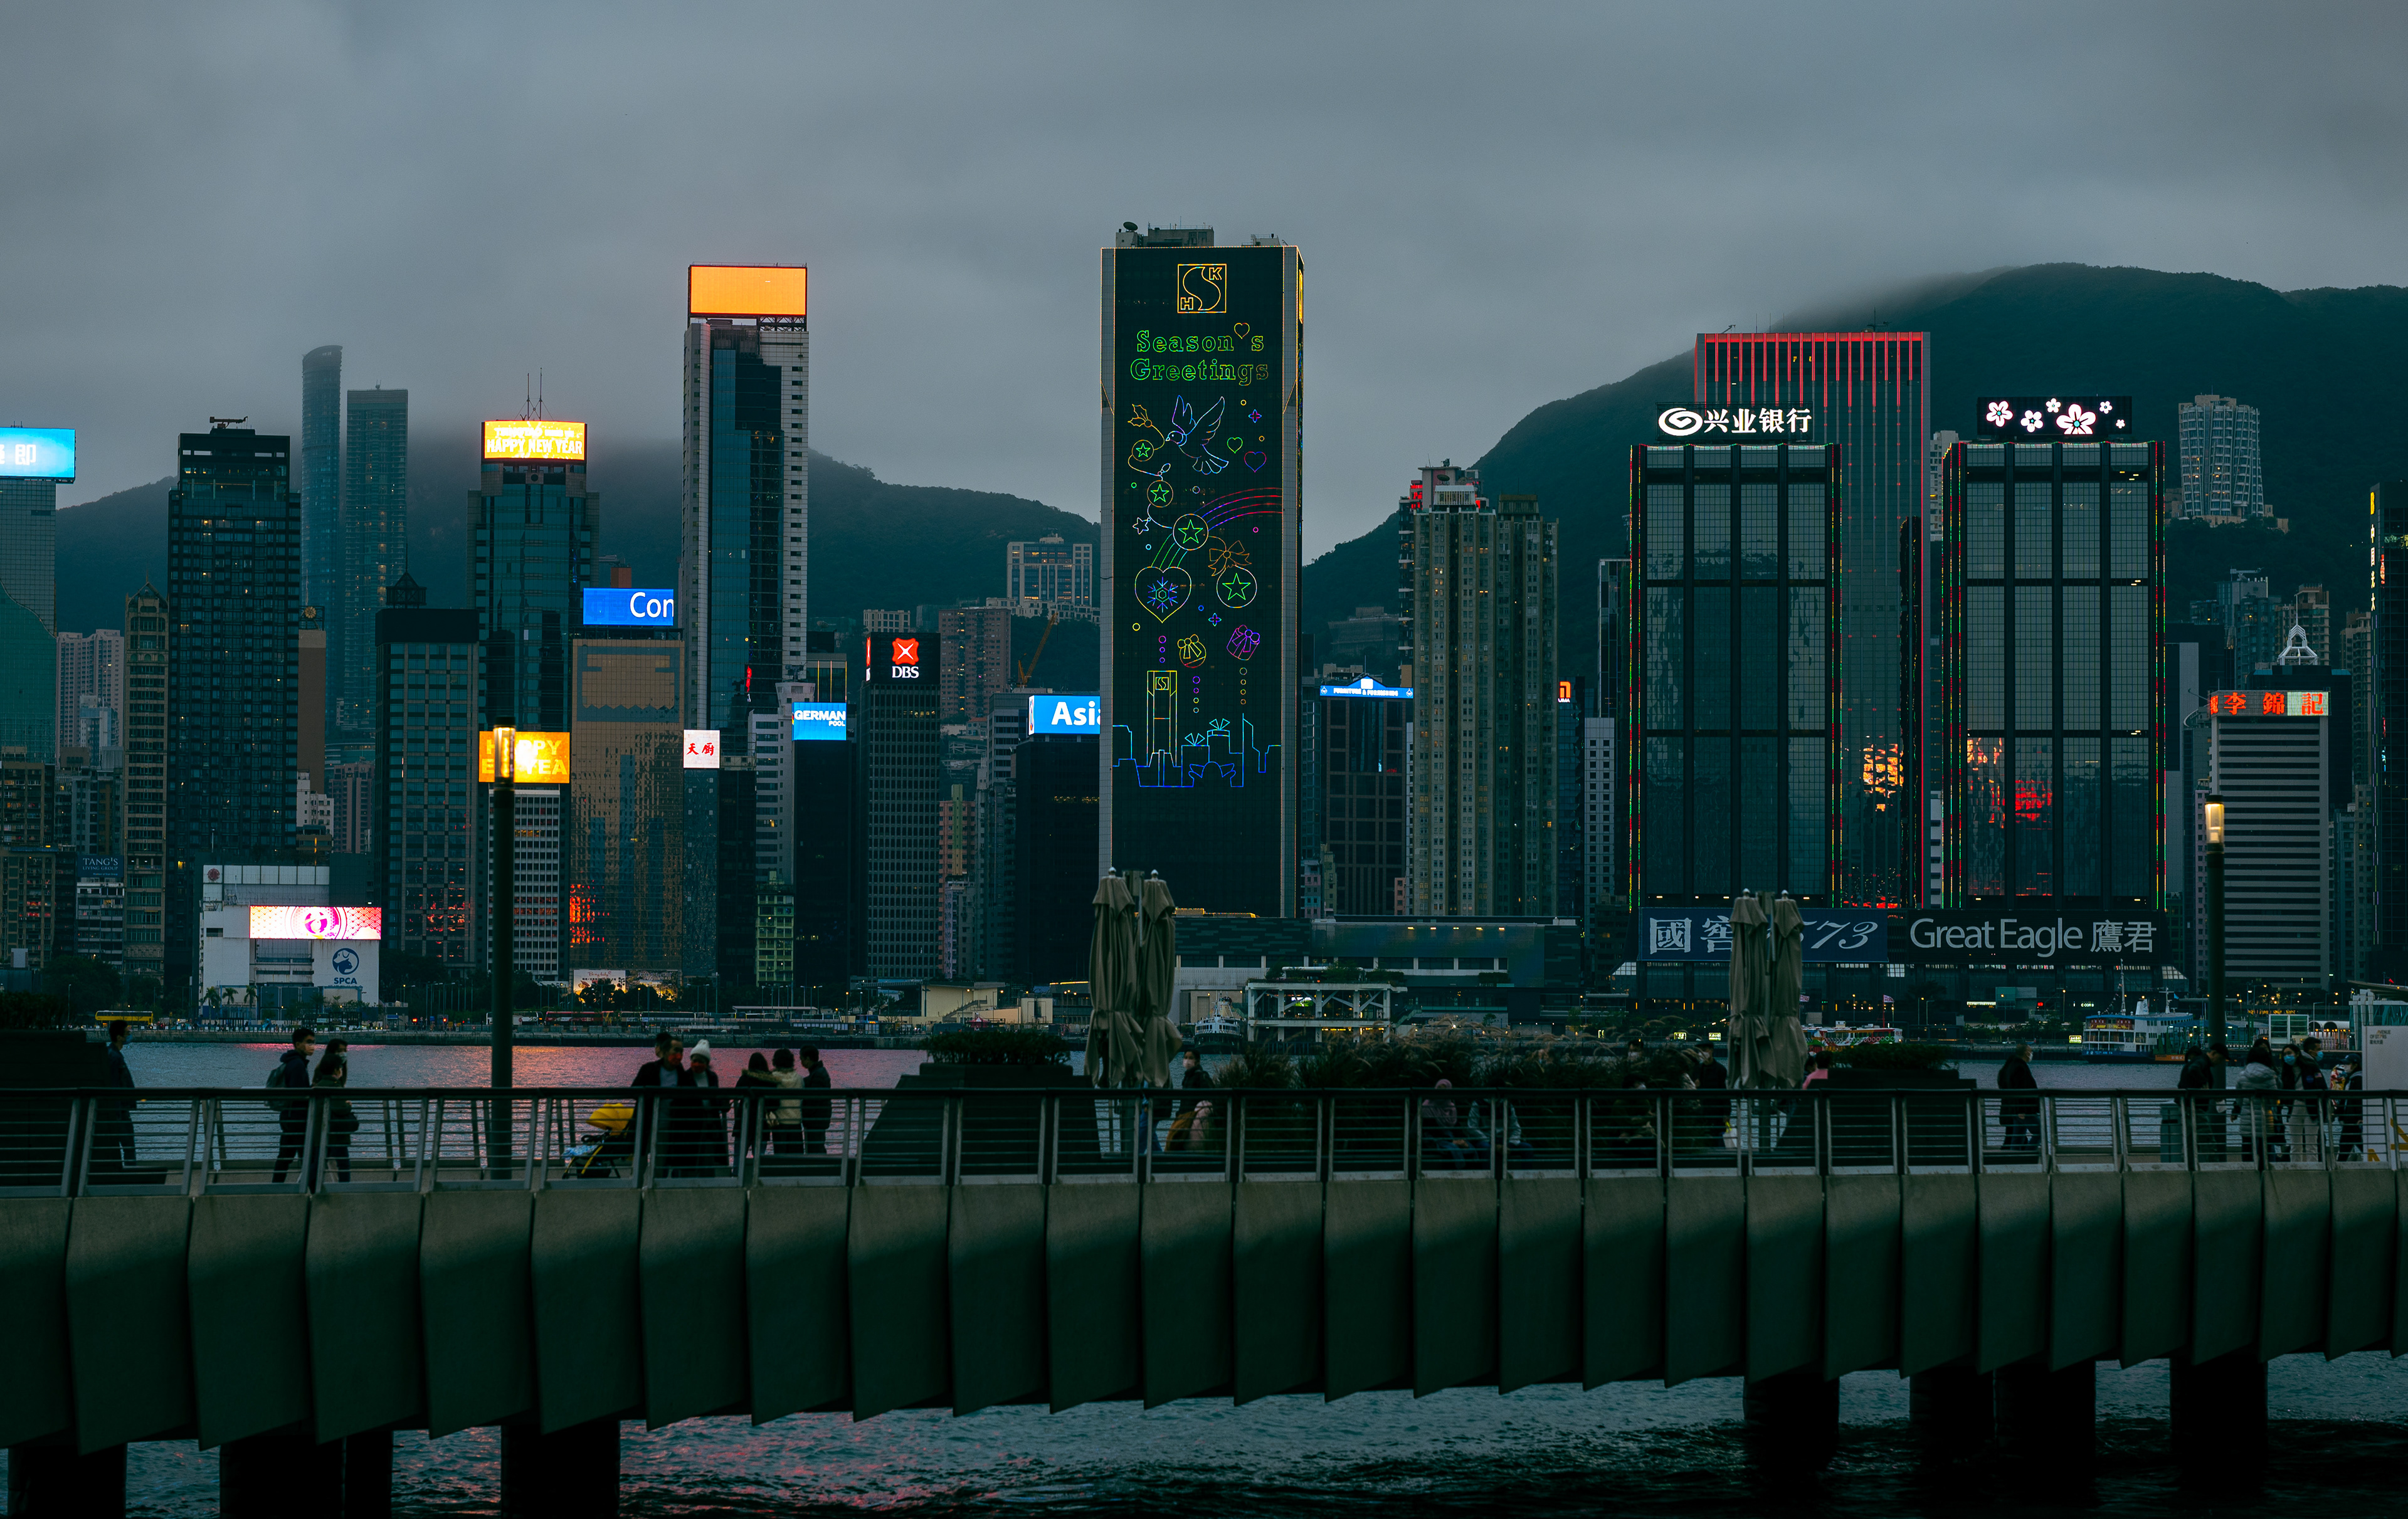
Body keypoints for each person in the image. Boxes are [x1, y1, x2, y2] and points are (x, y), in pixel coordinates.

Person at [269, 1027, 317, 1184]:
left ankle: (276, 1188)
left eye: (313, 1042)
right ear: (297, 1044)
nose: (312, 1046)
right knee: (308, 1158)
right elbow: (299, 1093)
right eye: (308, 1042)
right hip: (298, 1119)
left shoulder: (292, 1062)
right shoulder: (297, 1065)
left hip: (289, 1117)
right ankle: (312, 1191)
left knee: (286, 1157)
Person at [312, 1038, 357, 1185]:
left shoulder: (338, 1067)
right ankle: (342, 1188)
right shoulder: (326, 1069)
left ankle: (311, 1185)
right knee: (341, 1161)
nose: (343, 1054)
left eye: (345, 1051)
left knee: (321, 1158)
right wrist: (346, 1105)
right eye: (340, 1051)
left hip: (325, 1123)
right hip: (334, 1124)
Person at [95, 1021, 138, 1172]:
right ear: (119, 1037)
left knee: (121, 1145)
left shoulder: (111, 1054)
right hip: (119, 1111)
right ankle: (130, 1174)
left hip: (118, 1109)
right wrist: (118, 1112)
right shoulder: (115, 1057)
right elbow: (114, 1084)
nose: (129, 1034)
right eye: (127, 1032)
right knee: (129, 1145)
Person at [2232, 1045, 2281, 1162]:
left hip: (2247, 1119)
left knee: (2248, 1152)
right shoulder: (2270, 1076)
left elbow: (2239, 1099)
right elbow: (2274, 1100)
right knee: (2266, 1153)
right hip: (2266, 1119)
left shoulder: (2243, 1075)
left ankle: (2249, 1171)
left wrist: (2236, 1110)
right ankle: (2266, 1171)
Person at [1997, 1043, 2041, 1155]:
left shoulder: (2011, 1066)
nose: (2032, 1054)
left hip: (2015, 1109)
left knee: (2017, 1136)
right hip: (2025, 1110)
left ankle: (2015, 1158)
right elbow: (2021, 1088)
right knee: (2041, 1131)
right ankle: (2028, 1155)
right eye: (2030, 1051)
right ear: (2026, 1053)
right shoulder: (2020, 1068)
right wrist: (2022, 1110)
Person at [764, 1048, 804, 1155]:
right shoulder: (799, 1079)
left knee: (780, 1155)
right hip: (796, 1121)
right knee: (796, 1156)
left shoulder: (772, 1078)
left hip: (780, 1121)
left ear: (775, 1061)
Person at [796, 1045, 833, 1155]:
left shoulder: (817, 1075)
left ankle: (818, 1165)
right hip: (820, 1119)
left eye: (802, 1059)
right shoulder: (819, 1073)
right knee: (818, 1148)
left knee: (815, 1149)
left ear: (808, 1059)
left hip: (815, 1120)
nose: (801, 1062)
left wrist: (805, 1115)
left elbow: (814, 1100)